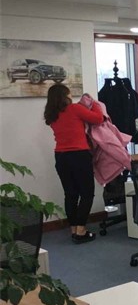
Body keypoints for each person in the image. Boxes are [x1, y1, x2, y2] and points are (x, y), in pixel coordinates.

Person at [44, 84, 104, 243]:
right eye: (69, 93)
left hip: (61, 157)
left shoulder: (52, 115)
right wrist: (95, 104)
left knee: (70, 194)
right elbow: (98, 118)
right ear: (65, 96)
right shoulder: (74, 109)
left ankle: (73, 228)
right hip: (79, 156)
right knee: (87, 193)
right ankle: (81, 231)